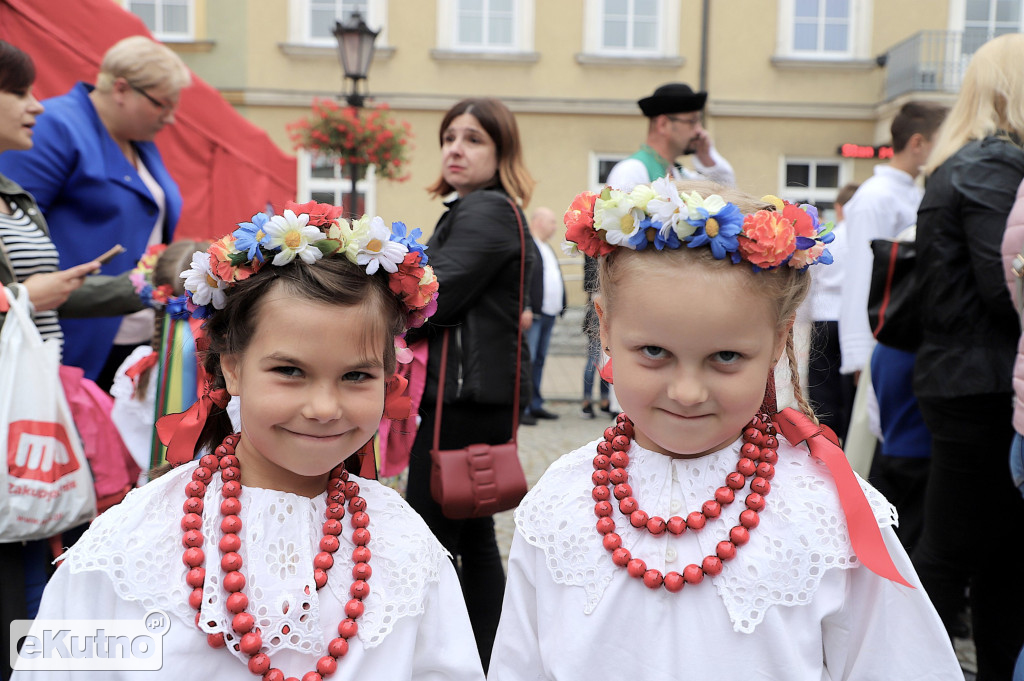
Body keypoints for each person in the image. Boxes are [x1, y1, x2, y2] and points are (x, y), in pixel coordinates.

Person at [487, 179, 963, 680]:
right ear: (604, 327)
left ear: (779, 341)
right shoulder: (559, 503)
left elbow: (899, 662)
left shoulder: (828, 513)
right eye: (654, 352)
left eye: (726, 357)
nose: (688, 391)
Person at [13, 202, 485, 681]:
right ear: (232, 367)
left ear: (389, 376)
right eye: (290, 371)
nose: (324, 407)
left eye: (356, 375)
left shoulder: (403, 545)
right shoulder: (132, 545)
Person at [0, 40, 148, 681]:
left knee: (38, 563)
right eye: (20, 91)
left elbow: (41, 292)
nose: (38, 106)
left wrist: (143, 289)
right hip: (14, 405)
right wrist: (24, 297)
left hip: (35, 406)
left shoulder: (12, 191)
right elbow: (26, 293)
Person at [403, 97, 535, 671]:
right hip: (471, 392)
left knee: (430, 533)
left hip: (462, 397)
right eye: (449, 136)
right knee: (473, 534)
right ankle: (491, 655)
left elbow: (432, 296)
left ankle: (442, 655)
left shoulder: (485, 211)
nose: (456, 147)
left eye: (474, 138)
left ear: (501, 152)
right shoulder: (475, 209)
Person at [913, 33, 1024, 681]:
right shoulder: (993, 164)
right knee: (955, 552)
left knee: (996, 555)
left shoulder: (970, 160)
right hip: (979, 385)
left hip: (966, 379)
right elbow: (1006, 282)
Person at [0, 36, 190, 389]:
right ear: (121, 88)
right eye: (162, 104)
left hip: (129, 328)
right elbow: (17, 229)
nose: (171, 118)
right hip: (73, 333)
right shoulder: (55, 127)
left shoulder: (138, 141)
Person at [838, 101, 947, 379]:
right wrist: (859, 357)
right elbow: (862, 275)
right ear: (918, 143)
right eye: (943, 139)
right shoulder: (876, 198)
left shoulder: (914, 193)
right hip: (882, 345)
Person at [605, 82, 735, 192]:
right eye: (692, 121)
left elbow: (727, 194)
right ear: (663, 124)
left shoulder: (680, 173)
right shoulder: (631, 171)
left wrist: (708, 159)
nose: (699, 131)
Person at [804, 181, 858, 440]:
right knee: (849, 387)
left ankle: (826, 437)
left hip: (824, 315)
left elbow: (811, 279)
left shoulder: (831, 241)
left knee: (823, 386)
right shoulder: (863, 240)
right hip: (852, 318)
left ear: (839, 208)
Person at [525, 206, 565, 422]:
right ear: (539, 221)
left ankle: (535, 403)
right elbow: (522, 279)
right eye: (552, 222)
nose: (555, 227)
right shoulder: (528, 245)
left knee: (539, 360)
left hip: (549, 313)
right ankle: (523, 409)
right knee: (528, 360)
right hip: (534, 314)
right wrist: (526, 307)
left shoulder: (545, 247)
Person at [579, 254, 613, 419]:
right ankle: (591, 401)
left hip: (599, 305)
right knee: (596, 358)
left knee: (603, 357)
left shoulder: (592, 252)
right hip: (599, 307)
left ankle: (601, 401)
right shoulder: (597, 254)